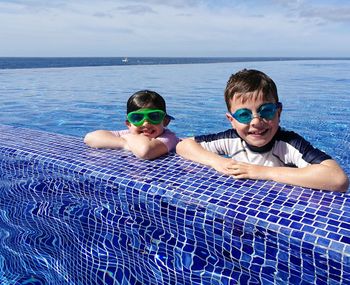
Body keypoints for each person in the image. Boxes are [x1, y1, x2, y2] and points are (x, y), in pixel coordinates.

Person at [176, 69, 349, 192]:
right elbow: (184, 145)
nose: (256, 122)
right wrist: (218, 162)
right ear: (232, 120)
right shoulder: (231, 140)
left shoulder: (287, 144)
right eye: (244, 115)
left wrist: (263, 172)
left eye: (266, 111)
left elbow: (337, 178)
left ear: (278, 113)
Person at [84, 90, 179, 160]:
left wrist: (128, 139)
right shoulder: (129, 134)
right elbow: (90, 137)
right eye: (137, 118)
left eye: (154, 116)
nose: (146, 123)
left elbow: (145, 152)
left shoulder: (169, 137)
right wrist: (125, 143)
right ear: (129, 124)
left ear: (165, 121)